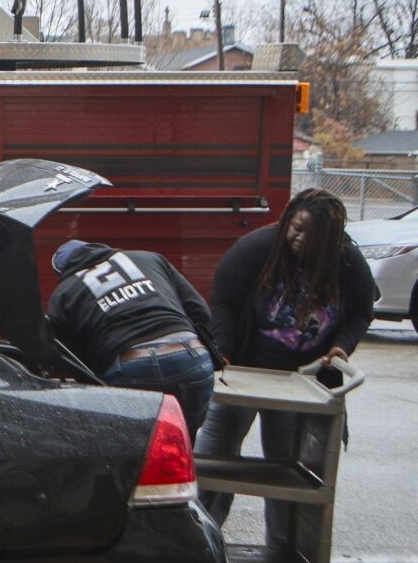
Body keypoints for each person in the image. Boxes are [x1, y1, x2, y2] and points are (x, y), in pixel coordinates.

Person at [195, 189, 378, 541]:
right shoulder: (256, 248)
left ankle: (282, 550)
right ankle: (200, 543)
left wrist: (342, 346)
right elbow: (223, 302)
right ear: (287, 220)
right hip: (243, 371)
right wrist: (223, 354)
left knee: (286, 471)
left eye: (312, 235)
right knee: (214, 459)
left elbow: (360, 313)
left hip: (301, 381)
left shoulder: (348, 262)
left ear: (331, 240)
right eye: (297, 228)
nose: (300, 238)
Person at [46, 238, 218, 437]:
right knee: (185, 442)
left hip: (130, 364)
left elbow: (75, 360)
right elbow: (200, 312)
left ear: (63, 271)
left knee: (138, 446)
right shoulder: (150, 259)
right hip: (189, 356)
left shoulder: (63, 293)